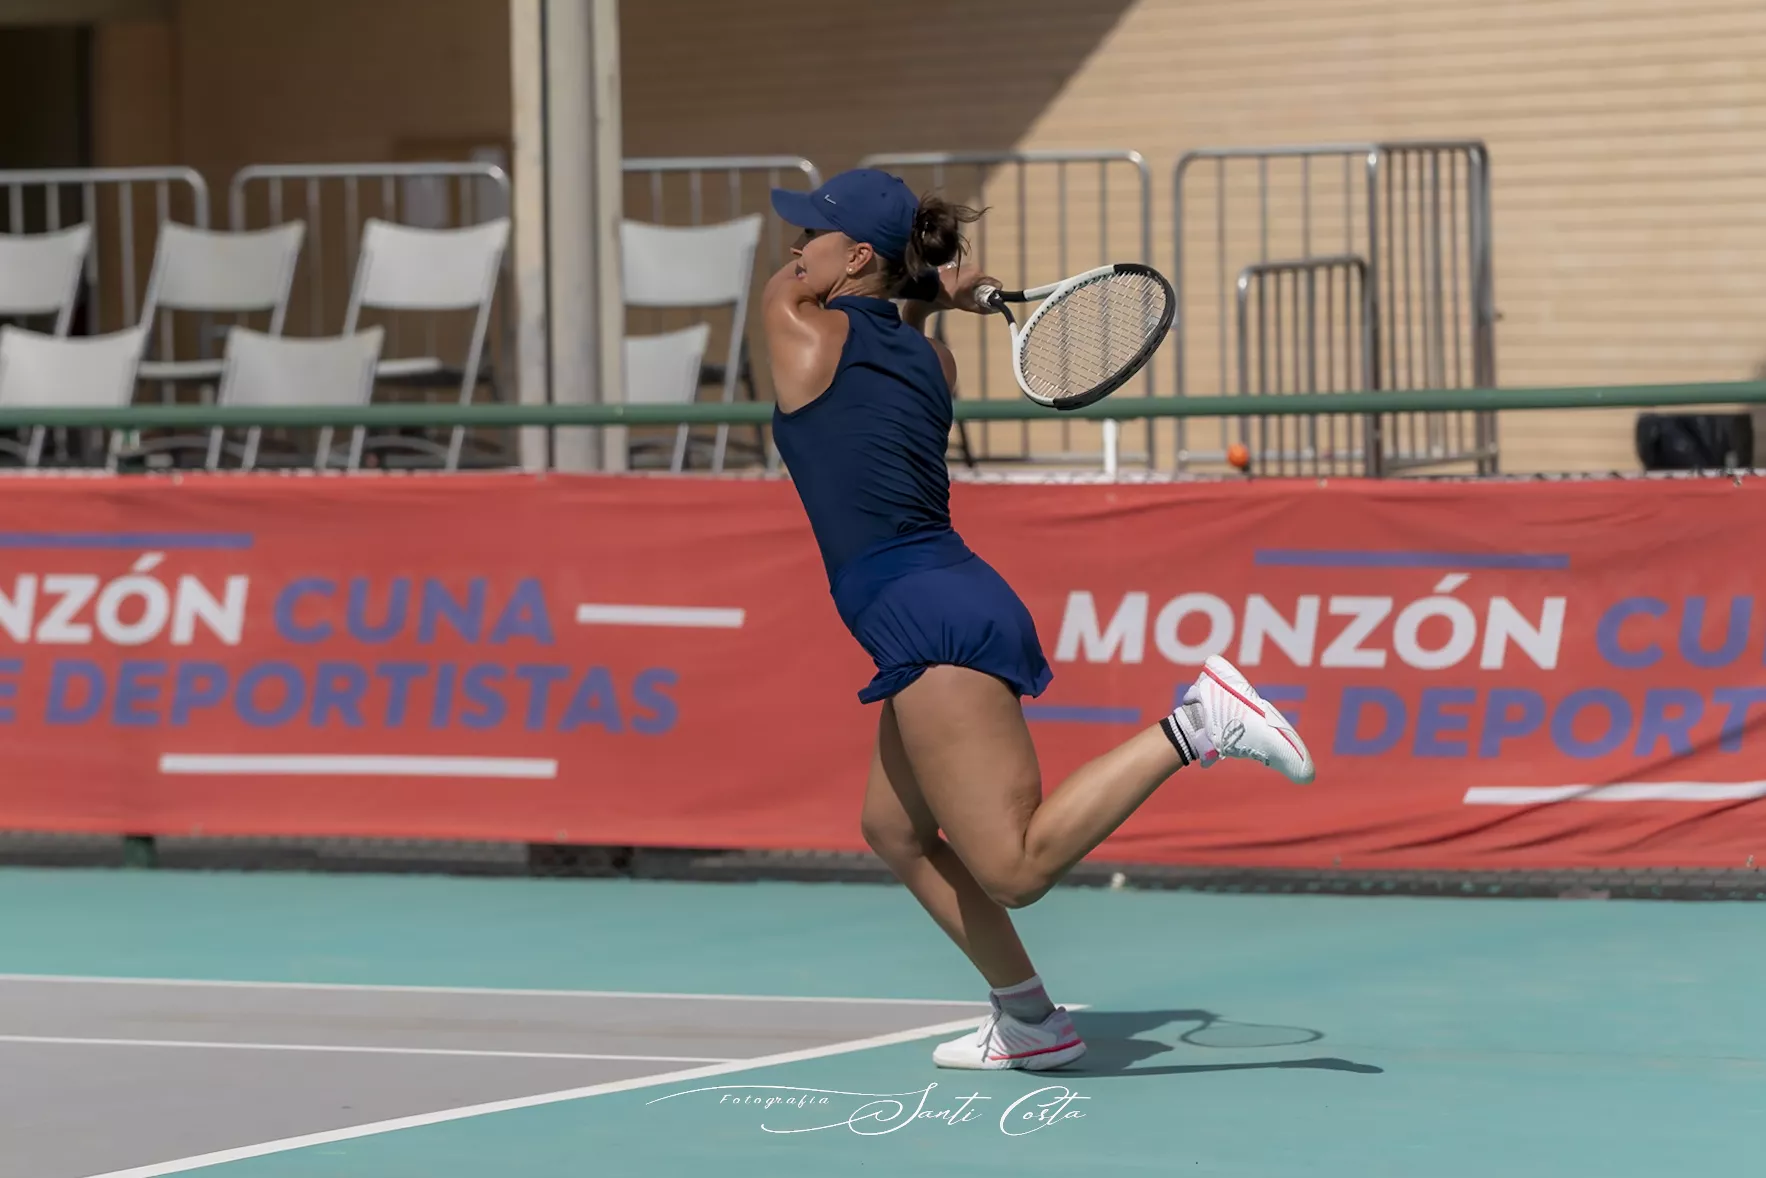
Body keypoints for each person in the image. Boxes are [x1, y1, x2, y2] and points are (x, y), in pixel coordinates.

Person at [762, 169, 1314, 1072]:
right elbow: (890, 330)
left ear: (857, 258)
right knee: (894, 831)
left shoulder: (799, 328)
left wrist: (938, 296)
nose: (793, 251)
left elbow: (790, 292)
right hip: (945, 592)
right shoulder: (926, 361)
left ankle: (1195, 723)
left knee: (1014, 869)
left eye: (810, 238)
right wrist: (938, 298)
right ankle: (1030, 1020)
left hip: (926, 619)